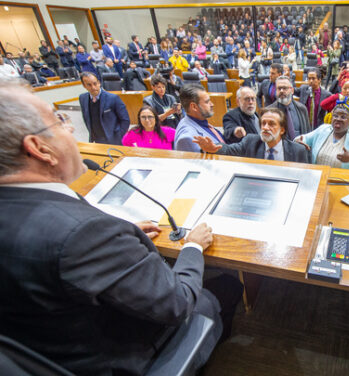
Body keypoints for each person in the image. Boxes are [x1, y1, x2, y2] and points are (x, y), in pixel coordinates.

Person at [0, 79, 242, 375]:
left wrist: (118, 234)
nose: (72, 129)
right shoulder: (84, 235)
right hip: (125, 354)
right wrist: (192, 246)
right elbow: (177, 302)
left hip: (54, 348)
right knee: (228, 285)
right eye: (59, 121)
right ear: (40, 149)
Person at [194, 107, 310, 163]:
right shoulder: (251, 141)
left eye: (271, 124)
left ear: (282, 130)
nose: (265, 127)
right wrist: (213, 148)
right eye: (263, 123)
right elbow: (229, 149)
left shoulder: (298, 151)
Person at [297, 102, 349, 169]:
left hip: (341, 181)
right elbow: (303, 139)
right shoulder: (323, 130)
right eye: (335, 116)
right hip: (319, 176)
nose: (338, 119)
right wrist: (298, 142)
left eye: (343, 117)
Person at [78, 72, 129, 145]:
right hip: (96, 139)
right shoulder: (82, 98)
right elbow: (86, 118)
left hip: (114, 139)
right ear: (84, 86)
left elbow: (125, 120)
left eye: (95, 83)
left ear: (99, 83)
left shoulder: (113, 98)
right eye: (89, 85)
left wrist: (119, 136)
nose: (93, 87)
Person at [174, 84, 224, 152]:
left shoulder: (199, 120)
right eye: (207, 102)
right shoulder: (187, 138)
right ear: (194, 107)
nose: (212, 104)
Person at [267, 75, 311, 140]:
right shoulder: (269, 112)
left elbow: (308, 134)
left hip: (299, 148)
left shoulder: (302, 109)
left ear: (292, 90)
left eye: (285, 88)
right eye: (279, 88)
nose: (281, 91)